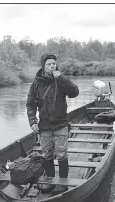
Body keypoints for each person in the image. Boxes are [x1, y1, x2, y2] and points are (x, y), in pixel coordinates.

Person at [26, 53, 79, 194]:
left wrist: (62, 78)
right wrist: (32, 121)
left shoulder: (61, 80)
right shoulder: (36, 83)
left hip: (61, 124)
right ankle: (49, 181)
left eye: (53, 64)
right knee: (47, 155)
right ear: (43, 66)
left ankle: (62, 184)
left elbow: (74, 93)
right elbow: (30, 104)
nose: (52, 66)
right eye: (49, 64)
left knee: (62, 154)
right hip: (44, 126)